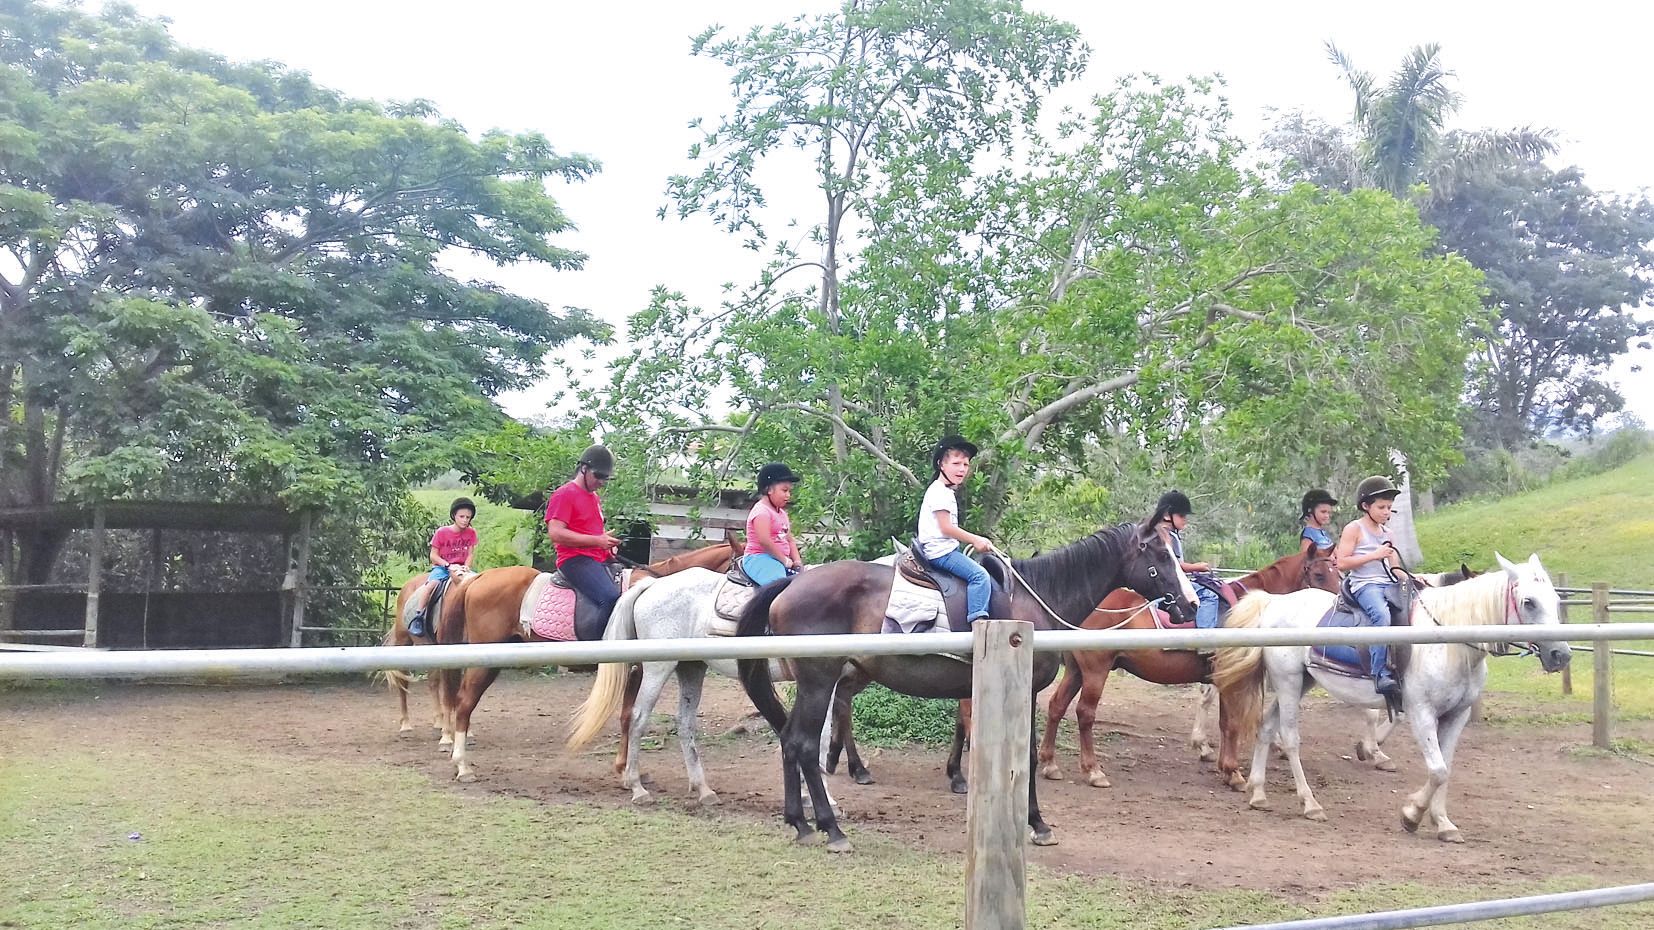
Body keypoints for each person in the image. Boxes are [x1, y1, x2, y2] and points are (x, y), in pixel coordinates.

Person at [1335, 475, 1405, 696]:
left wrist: (1410, 579)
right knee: (1381, 616)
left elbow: (1395, 567)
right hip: (1365, 585)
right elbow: (1342, 562)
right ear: (1366, 506)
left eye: (1389, 508)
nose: (1386, 512)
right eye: (1381, 507)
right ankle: (1379, 673)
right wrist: (1374, 555)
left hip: (1388, 583)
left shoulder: (1389, 533)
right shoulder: (1354, 529)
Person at [915, 435, 995, 623]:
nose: (962, 469)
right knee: (980, 576)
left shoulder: (944, 491)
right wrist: (975, 539)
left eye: (965, 465)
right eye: (956, 463)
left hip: (945, 550)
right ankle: (978, 623)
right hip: (940, 553)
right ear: (941, 465)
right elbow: (946, 528)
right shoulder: (940, 492)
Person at [546, 445, 623, 630]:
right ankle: (597, 647)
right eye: (599, 476)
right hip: (575, 560)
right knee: (609, 598)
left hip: (597, 558)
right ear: (583, 468)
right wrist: (597, 541)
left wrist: (605, 542)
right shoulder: (565, 494)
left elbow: (589, 531)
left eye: (606, 478)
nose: (602, 482)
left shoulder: (594, 497)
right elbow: (555, 532)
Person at [408, 497, 478, 638]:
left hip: (461, 568)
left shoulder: (471, 533)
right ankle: (419, 616)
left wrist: (466, 567)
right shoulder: (442, 532)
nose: (465, 520)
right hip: (443, 567)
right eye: (461, 516)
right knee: (430, 586)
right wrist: (448, 565)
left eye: (468, 517)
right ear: (454, 516)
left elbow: (470, 554)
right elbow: (433, 555)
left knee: (477, 586)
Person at [1151, 491, 1222, 629]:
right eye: (1181, 515)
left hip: (1159, 583)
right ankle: (1204, 636)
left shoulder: (1155, 532)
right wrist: (1197, 567)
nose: (1185, 519)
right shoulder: (1166, 535)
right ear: (1167, 515)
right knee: (1209, 596)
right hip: (1168, 584)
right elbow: (1174, 566)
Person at [743, 462, 805, 586]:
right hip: (759, 559)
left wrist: (797, 562)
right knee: (779, 586)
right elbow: (764, 541)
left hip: (778, 560)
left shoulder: (782, 513)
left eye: (789, 491)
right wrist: (784, 560)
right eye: (784, 490)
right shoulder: (761, 512)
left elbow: (790, 540)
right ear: (769, 489)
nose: (788, 495)